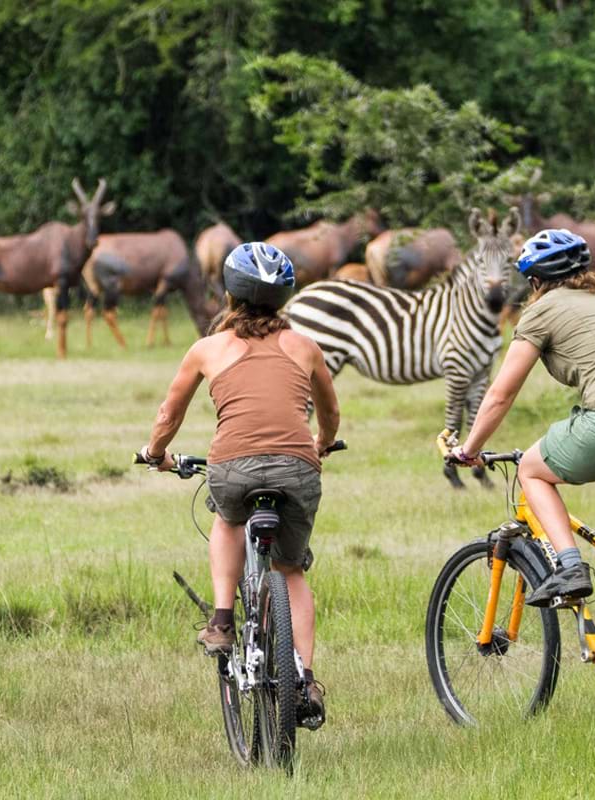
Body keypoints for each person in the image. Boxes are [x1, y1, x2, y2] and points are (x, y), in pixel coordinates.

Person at [139, 242, 340, 727]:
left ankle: (223, 621)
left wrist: (156, 453)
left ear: (229, 294)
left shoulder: (207, 348)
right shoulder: (304, 346)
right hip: (297, 468)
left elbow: (169, 414)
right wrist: (321, 443)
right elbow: (330, 412)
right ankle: (305, 678)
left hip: (233, 467)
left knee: (228, 520)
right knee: (291, 571)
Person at [448, 228, 595, 609]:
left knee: (531, 470)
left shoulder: (541, 310)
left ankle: (571, 567)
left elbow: (501, 394)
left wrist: (469, 450)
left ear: (535, 281)